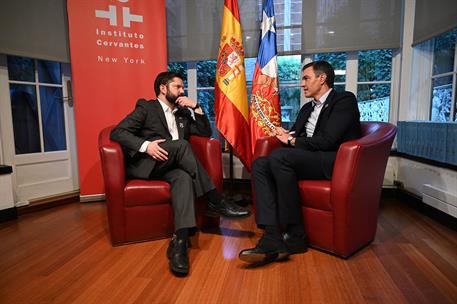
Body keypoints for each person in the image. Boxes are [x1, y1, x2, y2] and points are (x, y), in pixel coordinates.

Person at [110, 71, 249, 276]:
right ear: (163, 88)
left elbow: (204, 133)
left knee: (183, 178)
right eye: (178, 87)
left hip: (172, 167)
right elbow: (118, 132)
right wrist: (146, 146)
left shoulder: (183, 113)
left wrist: (197, 107)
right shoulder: (146, 108)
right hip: (150, 164)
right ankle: (215, 199)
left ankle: (180, 242)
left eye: (183, 87)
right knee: (183, 145)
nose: (182, 91)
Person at [239, 61, 361, 264]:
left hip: (335, 161)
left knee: (280, 157)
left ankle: (296, 234)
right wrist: (286, 134)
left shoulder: (344, 100)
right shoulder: (306, 109)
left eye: (306, 78)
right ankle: (271, 235)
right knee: (260, 164)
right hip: (310, 158)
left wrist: (293, 140)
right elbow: (297, 135)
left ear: (322, 79)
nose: (302, 84)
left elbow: (328, 141)